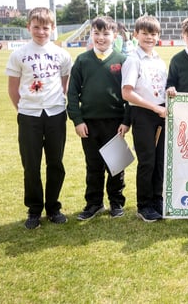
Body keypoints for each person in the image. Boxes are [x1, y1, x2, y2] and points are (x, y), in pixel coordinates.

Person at [5, 7, 73, 229]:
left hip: (55, 114)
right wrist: (24, 109)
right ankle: (34, 210)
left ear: (53, 28)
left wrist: (53, 102)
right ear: (28, 27)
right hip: (29, 116)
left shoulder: (62, 54)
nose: (41, 32)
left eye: (46, 27)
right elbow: (13, 89)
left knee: (55, 163)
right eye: (36, 27)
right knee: (31, 165)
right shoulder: (19, 54)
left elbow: (64, 84)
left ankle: (53, 207)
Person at [67, 16, 131, 221]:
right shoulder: (83, 61)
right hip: (89, 123)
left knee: (116, 165)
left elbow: (129, 95)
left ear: (115, 35)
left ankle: (116, 202)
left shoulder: (122, 60)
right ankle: (94, 203)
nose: (101, 37)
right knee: (93, 166)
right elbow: (72, 93)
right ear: (91, 34)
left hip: (115, 123)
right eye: (96, 33)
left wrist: (126, 121)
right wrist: (77, 120)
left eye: (106, 33)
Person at [121, 15, 167, 222]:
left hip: (161, 113)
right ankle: (144, 205)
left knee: (160, 161)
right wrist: (154, 108)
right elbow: (127, 93)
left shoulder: (158, 59)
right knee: (147, 161)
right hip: (143, 114)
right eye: (145, 33)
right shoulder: (133, 60)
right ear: (136, 34)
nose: (149, 37)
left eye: (153, 34)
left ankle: (157, 199)